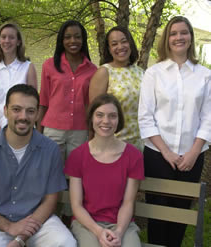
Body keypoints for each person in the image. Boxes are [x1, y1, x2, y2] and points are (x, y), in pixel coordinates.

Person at [0, 84, 76, 247]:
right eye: (16, 109)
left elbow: (51, 200)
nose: (23, 116)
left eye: (30, 111)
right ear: (5, 110)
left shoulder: (50, 149)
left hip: (36, 221)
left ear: (37, 114)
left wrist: (20, 238)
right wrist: (9, 226)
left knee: (64, 243)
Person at [138, 16, 211, 247]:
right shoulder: (154, 73)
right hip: (158, 155)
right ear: (167, 39)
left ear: (190, 38)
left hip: (193, 156)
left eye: (184, 32)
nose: (179, 37)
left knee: (181, 215)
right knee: (158, 216)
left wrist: (193, 153)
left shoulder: (205, 75)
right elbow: (146, 117)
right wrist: (166, 152)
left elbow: (208, 117)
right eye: (173, 33)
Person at [64, 93, 144, 247]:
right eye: (99, 115)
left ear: (119, 119)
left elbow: (128, 203)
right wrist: (98, 231)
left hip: (122, 224)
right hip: (87, 224)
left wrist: (119, 232)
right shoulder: (78, 156)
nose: (106, 121)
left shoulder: (133, 156)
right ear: (91, 119)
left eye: (112, 116)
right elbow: (77, 206)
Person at [37, 20, 97, 161]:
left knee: (75, 173)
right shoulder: (49, 65)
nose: (73, 41)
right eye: (67, 37)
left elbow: (90, 105)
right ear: (61, 40)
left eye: (77, 36)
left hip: (80, 130)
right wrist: (38, 132)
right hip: (53, 129)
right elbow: (43, 100)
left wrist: (91, 133)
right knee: (51, 171)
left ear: (83, 39)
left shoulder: (92, 70)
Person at [89, 26, 143, 149]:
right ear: (109, 49)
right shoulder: (104, 72)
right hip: (112, 144)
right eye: (114, 44)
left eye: (124, 41)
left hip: (139, 143)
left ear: (130, 44)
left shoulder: (141, 72)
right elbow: (94, 113)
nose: (120, 47)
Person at [0, 22, 38, 134]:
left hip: (22, 128)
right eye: (3, 37)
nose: (7, 41)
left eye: (12, 37)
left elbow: (33, 102)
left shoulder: (28, 67)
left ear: (18, 42)